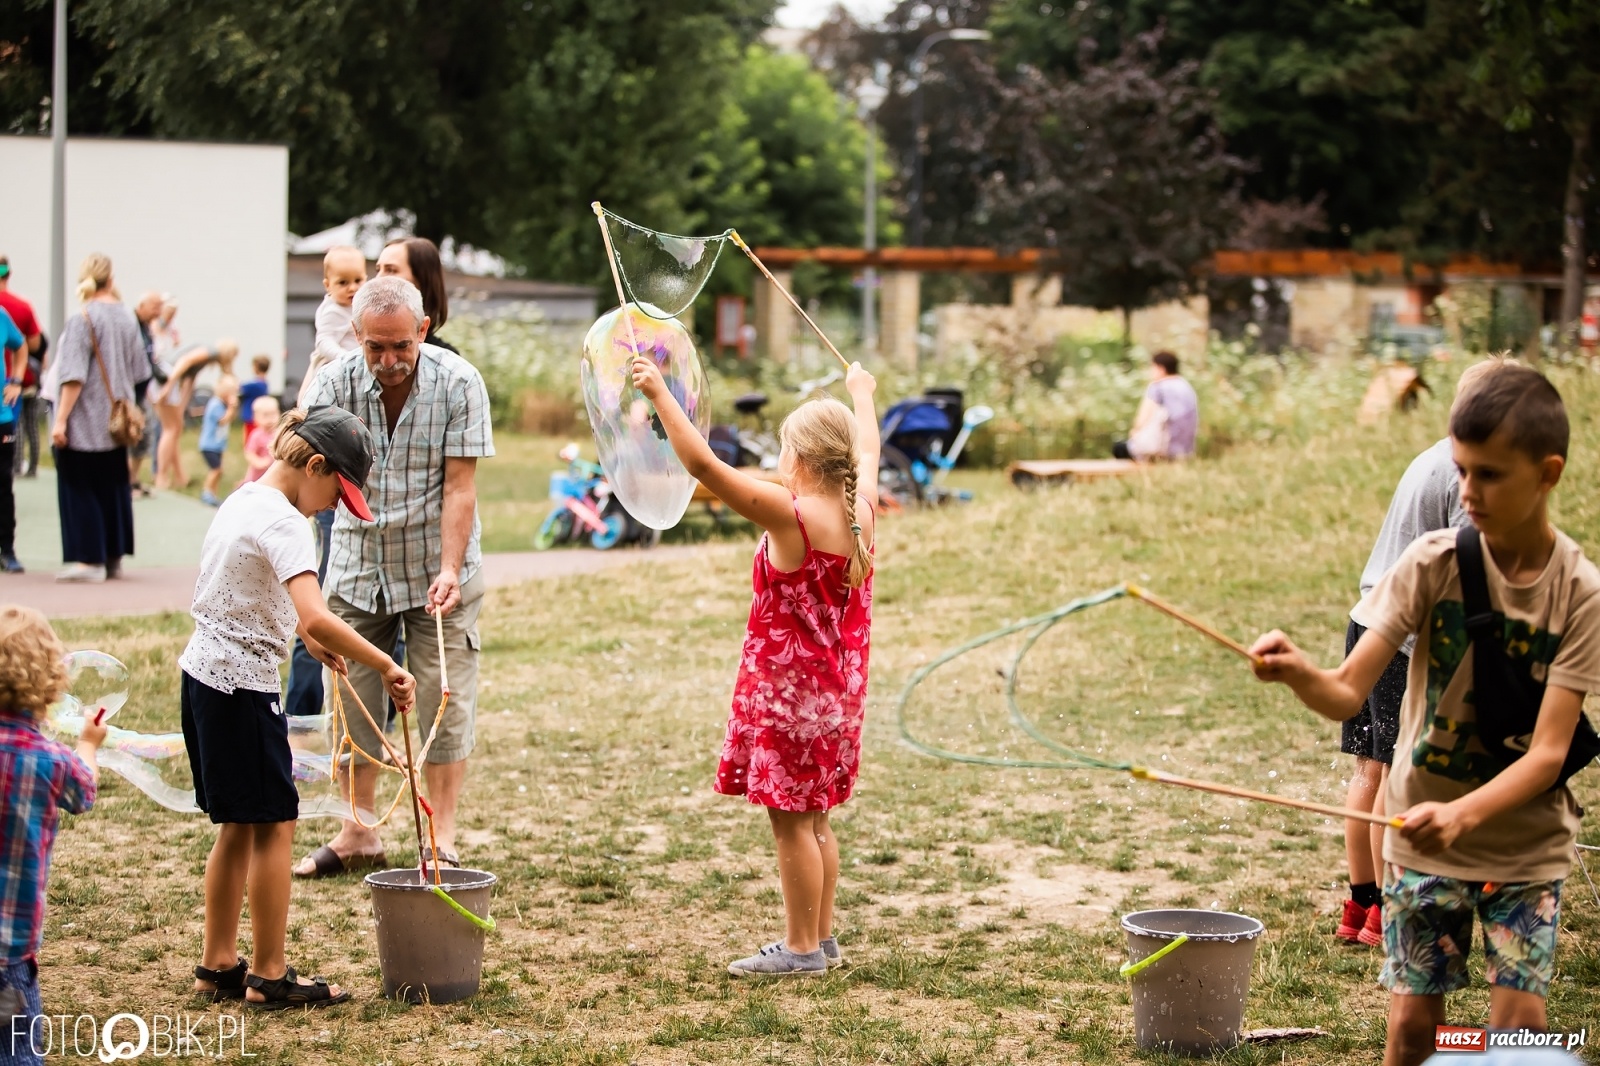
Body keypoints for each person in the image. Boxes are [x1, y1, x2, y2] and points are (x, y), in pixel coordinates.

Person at [1249, 362, 1600, 1066]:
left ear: (1548, 473)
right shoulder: (1429, 562)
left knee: (1520, 1033)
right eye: (1461, 470)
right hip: (1418, 836)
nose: (1467, 492)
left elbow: (1548, 753)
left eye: (1489, 475)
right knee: (1413, 1032)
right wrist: (1299, 675)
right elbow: (1348, 692)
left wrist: (1466, 815)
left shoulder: (1580, 593)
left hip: (1524, 846)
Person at [631, 351, 879, 978]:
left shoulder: (790, 515)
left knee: (790, 821)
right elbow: (870, 451)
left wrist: (662, 394)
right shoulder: (860, 511)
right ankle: (820, 941)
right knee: (815, 815)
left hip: (790, 698)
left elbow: (702, 465)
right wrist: (862, 393)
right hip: (838, 694)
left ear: (797, 460)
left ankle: (799, 949)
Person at [182, 406, 414, 1009]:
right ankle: (269, 973)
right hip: (243, 689)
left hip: (205, 677)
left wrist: (310, 642)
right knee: (276, 824)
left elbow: (258, 595)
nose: (333, 507)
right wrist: (387, 664)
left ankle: (218, 964)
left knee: (239, 823)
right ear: (315, 465)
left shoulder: (244, 497)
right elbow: (314, 613)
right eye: (337, 492)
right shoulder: (288, 523)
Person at [294, 276, 493, 877]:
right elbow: (311, 480)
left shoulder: (459, 382)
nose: (388, 360)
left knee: (441, 697)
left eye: (400, 346)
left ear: (423, 330)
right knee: (353, 697)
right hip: (358, 567)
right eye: (375, 347)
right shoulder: (334, 384)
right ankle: (359, 832)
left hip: (439, 567)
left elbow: (461, 487)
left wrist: (451, 568)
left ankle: (441, 835)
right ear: (356, 335)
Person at [1336, 363, 1500, 947]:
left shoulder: (1431, 454)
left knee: (1369, 769)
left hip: (1368, 621)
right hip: (1402, 638)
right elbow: (1462, 579)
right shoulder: (1466, 478)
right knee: (1396, 775)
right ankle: (1385, 909)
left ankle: (1362, 905)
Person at [0, 605, 106, 1065]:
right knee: (17, 1052)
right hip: (10, 957)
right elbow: (83, 789)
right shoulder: (50, 761)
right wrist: (88, 743)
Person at [50, 254, 147, 583]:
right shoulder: (126, 317)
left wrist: (61, 419)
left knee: (79, 485)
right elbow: (139, 371)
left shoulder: (83, 318)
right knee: (113, 485)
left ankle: (87, 560)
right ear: (110, 278)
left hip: (86, 418)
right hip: (117, 420)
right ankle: (112, 557)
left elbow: (73, 375)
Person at [153, 337, 236, 493]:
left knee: (175, 429)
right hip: (165, 377)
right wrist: (169, 387)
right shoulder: (211, 351)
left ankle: (180, 477)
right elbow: (184, 361)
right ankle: (161, 477)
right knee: (170, 429)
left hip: (169, 380)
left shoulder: (206, 360)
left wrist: (181, 409)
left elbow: (189, 382)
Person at [0, 257, 44, 479]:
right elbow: (34, 344)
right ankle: (31, 467)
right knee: (29, 425)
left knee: (11, 424)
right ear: (9, 274)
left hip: (6, 380)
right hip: (21, 379)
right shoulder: (22, 306)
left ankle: (16, 467)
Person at [1113, 350, 1198, 461]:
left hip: (1162, 449)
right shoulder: (1186, 386)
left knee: (1118, 447)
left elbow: (1142, 418)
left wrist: (1134, 432)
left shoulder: (1157, 387)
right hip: (1185, 450)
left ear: (1161, 368)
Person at [376, 238, 456, 352]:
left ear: (421, 280)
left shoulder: (446, 360)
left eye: (391, 270)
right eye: (378, 270)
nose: (378, 279)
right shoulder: (359, 340)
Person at [128, 292, 168, 499]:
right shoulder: (130, 324)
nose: (158, 312)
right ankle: (126, 482)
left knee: (144, 436)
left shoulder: (146, 328)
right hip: (129, 393)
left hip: (142, 392)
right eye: (155, 306)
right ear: (142, 305)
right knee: (130, 435)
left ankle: (132, 479)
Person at [1, 307, 25, 573]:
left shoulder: (2, 316)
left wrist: (16, 380)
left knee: (3, 485)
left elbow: (21, 347)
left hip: (2, 417)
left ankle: (7, 550)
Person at [198, 373, 239, 507]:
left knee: (218, 470)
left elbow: (230, 418)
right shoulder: (215, 404)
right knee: (216, 470)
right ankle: (206, 493)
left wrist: (231, 409)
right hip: (209, 445)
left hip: (217, 445)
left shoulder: (222, 404)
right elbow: (223, 420)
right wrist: (232, 407)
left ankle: (213, 494)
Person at [242, 396, 279, 484]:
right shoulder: (256, 435)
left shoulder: (279, 433)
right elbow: (249, 453)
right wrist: (258, 462)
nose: (270, 419)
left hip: (274, 474)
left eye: (273, 415)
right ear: (255, 417)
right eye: (265, 415)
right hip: (257, 477)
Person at [238, 355, 272, 439]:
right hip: (258, 416)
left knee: (250, 439)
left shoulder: (255, 384)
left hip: (251, 416)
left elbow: (239, 386)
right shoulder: (265, 383)